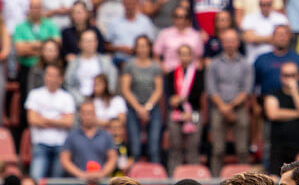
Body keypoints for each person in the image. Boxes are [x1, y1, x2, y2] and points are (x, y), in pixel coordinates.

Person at [206, 28, 253, 175]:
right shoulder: (213, 64)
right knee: (218, 149)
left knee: (243, 149)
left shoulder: (246, 64)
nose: (230, 44)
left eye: (232, 41)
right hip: (218, 107)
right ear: (222, 43)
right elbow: (211, 89)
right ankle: (214, 184)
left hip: (239, 108)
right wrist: (223, 108)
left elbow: (246, 90)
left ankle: (246, 183)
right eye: (226, 41)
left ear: (238, 43)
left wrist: (230, 107)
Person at [24, 63, 75, 185]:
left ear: (60, 78)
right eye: (48, 74)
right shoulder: (35, 94)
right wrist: (58, 120)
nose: (50, 78)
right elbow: (32, 120)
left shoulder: (66, 97)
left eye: (54, 75)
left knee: (56, 184)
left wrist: (44, 119)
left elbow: (68, 122)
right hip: (40, 143)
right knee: (35, 180)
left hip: (61, 145)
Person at [60, 100, 117, 185]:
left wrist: (102, 174)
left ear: (95, 114)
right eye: (85, 113)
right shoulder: (72, 136)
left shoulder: (105, 136)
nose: (88, 116)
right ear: (80, 115)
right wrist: (81, 175)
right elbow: (64, 160)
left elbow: (112, 158)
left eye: (90, 113)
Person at [264, 61, 299, 173]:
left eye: (292, 75)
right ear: (281, 76)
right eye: (286, 75)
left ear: (298, 76)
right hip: (278, 149)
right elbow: (273, 114)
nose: (289, 78)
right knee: (275, 181)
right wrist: (298, 113)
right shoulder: (273, 93)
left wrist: (294, 92)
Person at [121, 36, 164, 164]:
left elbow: (158, 90)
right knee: (135, 148)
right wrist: (139, 108)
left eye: (145, 45)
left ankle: (156, 181)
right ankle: (133, 181)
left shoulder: (155, 66)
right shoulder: (129, 65)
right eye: (139, 46)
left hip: (152, 108)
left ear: (149, 48)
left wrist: (148, 107)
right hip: (134, 109)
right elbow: (126, 89)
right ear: (136, 48)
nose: (142, 49)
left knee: (154, 148)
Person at [165, 43, 204, 172]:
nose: (185, 57)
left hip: (194, 113)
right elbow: (170, 95)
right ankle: (173, 179)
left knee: (193, 147)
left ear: (192, 56)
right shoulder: (172, 74)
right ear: (178, 56)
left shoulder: (198, 73)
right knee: (175, 147)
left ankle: (195, 179)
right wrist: (173, 100)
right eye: (182, 54)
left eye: (187, 54)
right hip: (176, 113)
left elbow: (198, 93)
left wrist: (181, 99)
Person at [13, 0, 61, 97]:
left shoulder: (51, 25)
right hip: (27, 68)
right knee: (27, 100)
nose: (35, 9)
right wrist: (44, 46)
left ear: (42, 8)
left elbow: (57, 44)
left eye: (38, 7)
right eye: (33, 7)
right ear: (29, 8)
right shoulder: (20, 27)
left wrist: (30, 45)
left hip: (48, 68)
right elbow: (20, 50)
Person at [254, 23, 299, 96]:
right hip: (267, 101)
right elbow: (253, 85)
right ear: (272, 37)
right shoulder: (262, 59)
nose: (282, 38)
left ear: (289, 38)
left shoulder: (298, 59)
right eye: (279, 34)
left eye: (285, 35)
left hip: (293, 102)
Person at [64, 28, 118, 105]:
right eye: (87, 41)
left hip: (103, 100)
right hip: (80, 101)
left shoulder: (106, 61)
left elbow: (112, 82)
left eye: (93, 41)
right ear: (79, 44)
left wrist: (103, 98)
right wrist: (81, 101)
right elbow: (69, 85)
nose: (91, 44)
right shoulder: (73, 63)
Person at [105, 0, 156, 64]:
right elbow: (106, 45)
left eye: (132, 3)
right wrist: (120, 48)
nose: (129, 6)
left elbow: (151, 43)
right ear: (123, 3)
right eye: (127, 3)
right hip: (120, 59)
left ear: (137, 3)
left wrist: (137, 49)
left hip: (140, 61)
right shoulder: (114, 22)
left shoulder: (145, 22)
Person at [240, 0, 289, 64]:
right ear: (259, 5)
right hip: (254, 59)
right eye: (262, 4)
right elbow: (249, 38)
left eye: (268, 4)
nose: (265, 7)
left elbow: (285, 39)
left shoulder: (281, 18)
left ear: (272, 4)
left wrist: (258, 39)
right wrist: (273, 38)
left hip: (277, 60)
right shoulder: (249, 18)